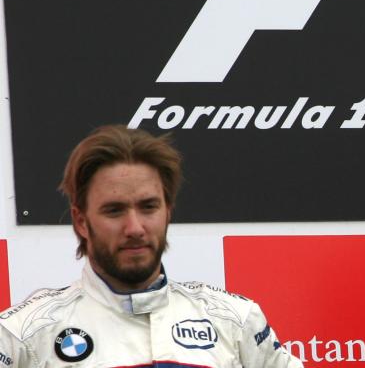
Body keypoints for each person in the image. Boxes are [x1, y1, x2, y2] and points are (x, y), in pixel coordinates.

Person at [0, 125, 302, 367]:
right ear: (81, 222)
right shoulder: (22, 334)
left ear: (167, 211)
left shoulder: (235, 319)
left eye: (148, 207)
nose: (135, 228)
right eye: (114, 210)